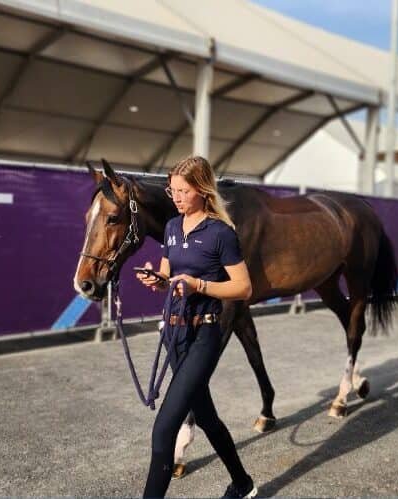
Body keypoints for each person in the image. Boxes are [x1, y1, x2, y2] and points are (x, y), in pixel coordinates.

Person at [135, 156, 257, 499]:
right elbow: (168, 275)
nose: (176, 197)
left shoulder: (221, 233)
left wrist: (199, 285)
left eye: (183, 191)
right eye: (172, 191)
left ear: (202, 190)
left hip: (204, 336)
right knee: (206, 417)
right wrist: (157, 279)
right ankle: (243, 484)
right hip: (174, 336)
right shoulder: (173, 227)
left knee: (164, 431)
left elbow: (244, 288)